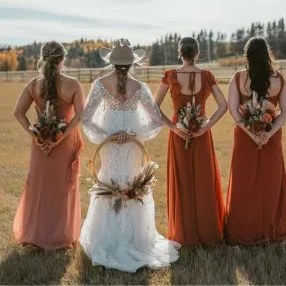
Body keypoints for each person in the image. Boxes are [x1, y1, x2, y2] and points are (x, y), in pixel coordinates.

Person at [79, 38, 179, 272]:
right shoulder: (140, 87)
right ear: (132, 63)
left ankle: (107, 239)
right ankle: (136, 240)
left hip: (110, 143)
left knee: (109, 179)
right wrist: (134, 133)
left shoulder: (100, 83)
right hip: (133, 143)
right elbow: (155, 121)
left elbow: (86, 118)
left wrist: (107, 135)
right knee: (132, 181)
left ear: (111, 63)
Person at [154, 37, 227, 247]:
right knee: (203, 181)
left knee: (183, 181)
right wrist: (206, 126)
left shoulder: (170, 75)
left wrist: (173, 126)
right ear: (197, 53)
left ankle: (184, 233)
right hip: (201, 136)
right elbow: (223, 106)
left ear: (180, 53)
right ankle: (207, 232)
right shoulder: (207, 75)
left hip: (179, 135)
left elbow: (153, 106)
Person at [13, 41, 85, 251]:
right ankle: (60, 237)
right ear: (62, 59)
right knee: (63, 188)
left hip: (41, 143)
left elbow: (18, 113)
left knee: (40, 188)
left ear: (44, 59)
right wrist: (60, 137)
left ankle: (35, 235)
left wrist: (35, 134)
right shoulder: (73, 84)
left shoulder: (34, 84)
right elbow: (80, 115)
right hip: (65, 141)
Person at [226, 37, 286, 244]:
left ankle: (245, 229)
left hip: (245, 137)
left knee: (244, 182)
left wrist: (251, 133)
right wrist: (268, 133)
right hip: (270, 136)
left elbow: (234, 113)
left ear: (247, 55)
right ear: (268, 54)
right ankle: (271, 229)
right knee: (270, 182)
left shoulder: (237, 78)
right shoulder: (278, 79)